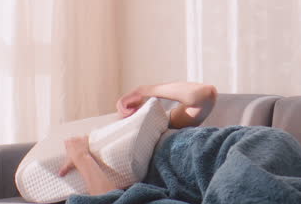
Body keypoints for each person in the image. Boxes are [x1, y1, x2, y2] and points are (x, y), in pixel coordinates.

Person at [57, 81, 219, 195]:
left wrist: (143, 91)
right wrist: (81, 157)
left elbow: (205, 94)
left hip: (227, 146)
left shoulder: (161, 124)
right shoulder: (118, 170)